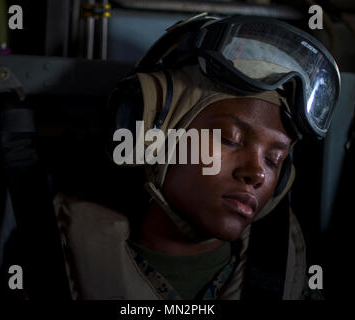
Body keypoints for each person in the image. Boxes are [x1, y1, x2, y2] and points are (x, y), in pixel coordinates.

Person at [53, 13, 340, 300]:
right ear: (154, 133)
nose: (256, 173)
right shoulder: (54, 265)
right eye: (229, 139)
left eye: (274, 160)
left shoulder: (290, 280)